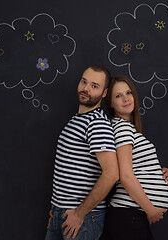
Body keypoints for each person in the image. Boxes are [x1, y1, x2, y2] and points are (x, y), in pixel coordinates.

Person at [45, 65, 119, 240]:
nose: (86, 88)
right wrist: (56, 208)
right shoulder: (77, 120)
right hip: (61, 213)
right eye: (84, 82)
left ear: (104, 93)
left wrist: (79, 213)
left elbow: (111, 174)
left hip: (83, 218)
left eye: (94, 86)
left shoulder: (97, 123)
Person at [101, 75, 168, 240]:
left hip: (130, 217)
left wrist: (161, 171)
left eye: (128, 93)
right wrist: (150, 210)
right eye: (118, 95)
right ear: (111, 103)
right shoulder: (122, 129)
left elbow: (135, 166)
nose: (126, 98)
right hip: (129, 216)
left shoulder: (127, 129)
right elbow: (125, 176)